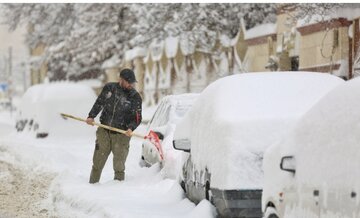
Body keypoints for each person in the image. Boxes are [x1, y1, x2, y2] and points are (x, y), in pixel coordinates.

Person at [86, 68, 142, 184]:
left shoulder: (135, 97)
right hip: (104, 132)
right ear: (121, 79)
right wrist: (91, 116)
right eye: (128, 81)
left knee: (119, 167)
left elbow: (137, 118)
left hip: (121, 136)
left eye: (132, 82)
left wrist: (131, 128)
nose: (130, 84)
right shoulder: (110, 88)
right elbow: (99, 103)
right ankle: (91, 188)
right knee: (97, 163)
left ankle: (117, 193)